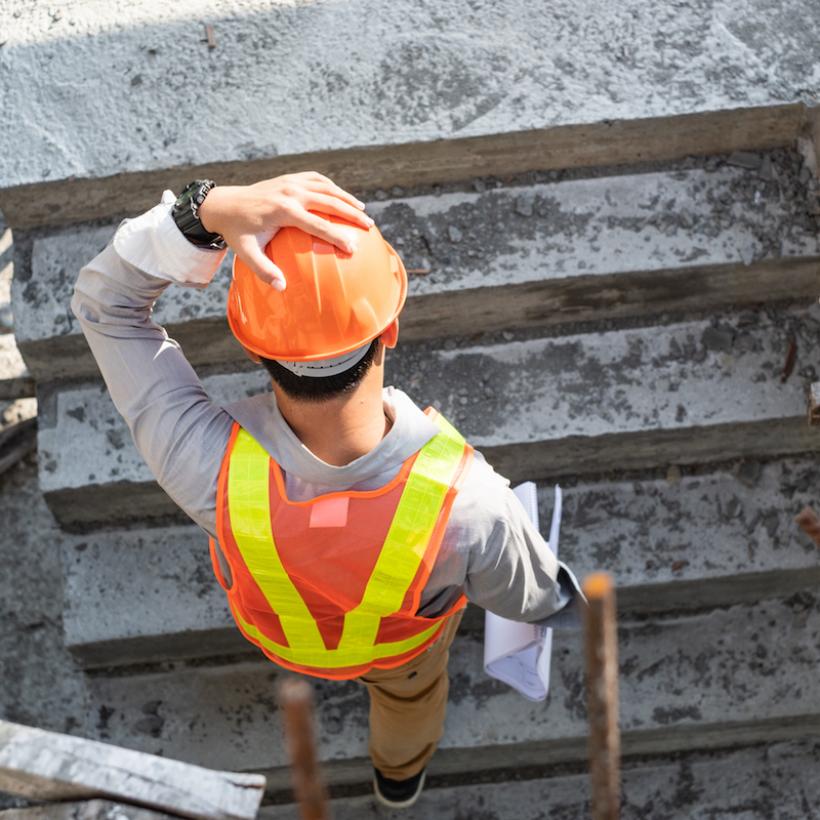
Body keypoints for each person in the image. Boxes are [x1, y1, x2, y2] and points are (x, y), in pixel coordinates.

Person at [72, 172, 581, 810]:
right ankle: (398, 781)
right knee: (408, 701)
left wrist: (201, 212)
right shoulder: (471, 503)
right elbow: (533, 599)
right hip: (401, 652)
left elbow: (105, 303)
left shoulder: (204, 464)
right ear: (388, 329)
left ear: (255, 346)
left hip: (280, 635)